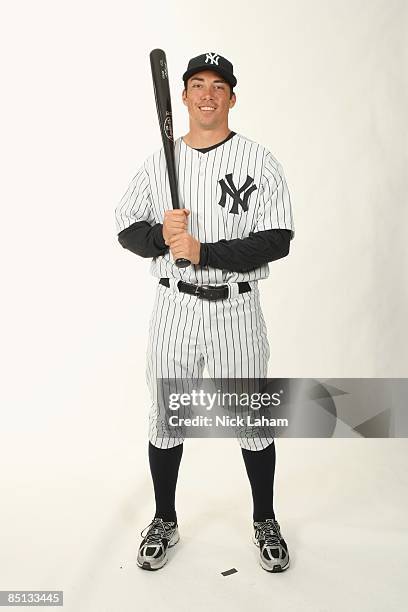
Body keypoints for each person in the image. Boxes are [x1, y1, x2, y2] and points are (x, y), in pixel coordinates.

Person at [115, 52, 295, 572]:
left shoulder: (258, 160)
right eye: (197, 85)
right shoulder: (159, 160)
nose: (208, 95)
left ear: (232, 98)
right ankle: (165, 518)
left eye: (219, 86)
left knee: (252, 419)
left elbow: (277, 239)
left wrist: (204, 251)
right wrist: (159, 237)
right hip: (175, 308)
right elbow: (126, 230)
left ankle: (265, 518)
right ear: (186, 97)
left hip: (236, 311)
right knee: (167, 417)